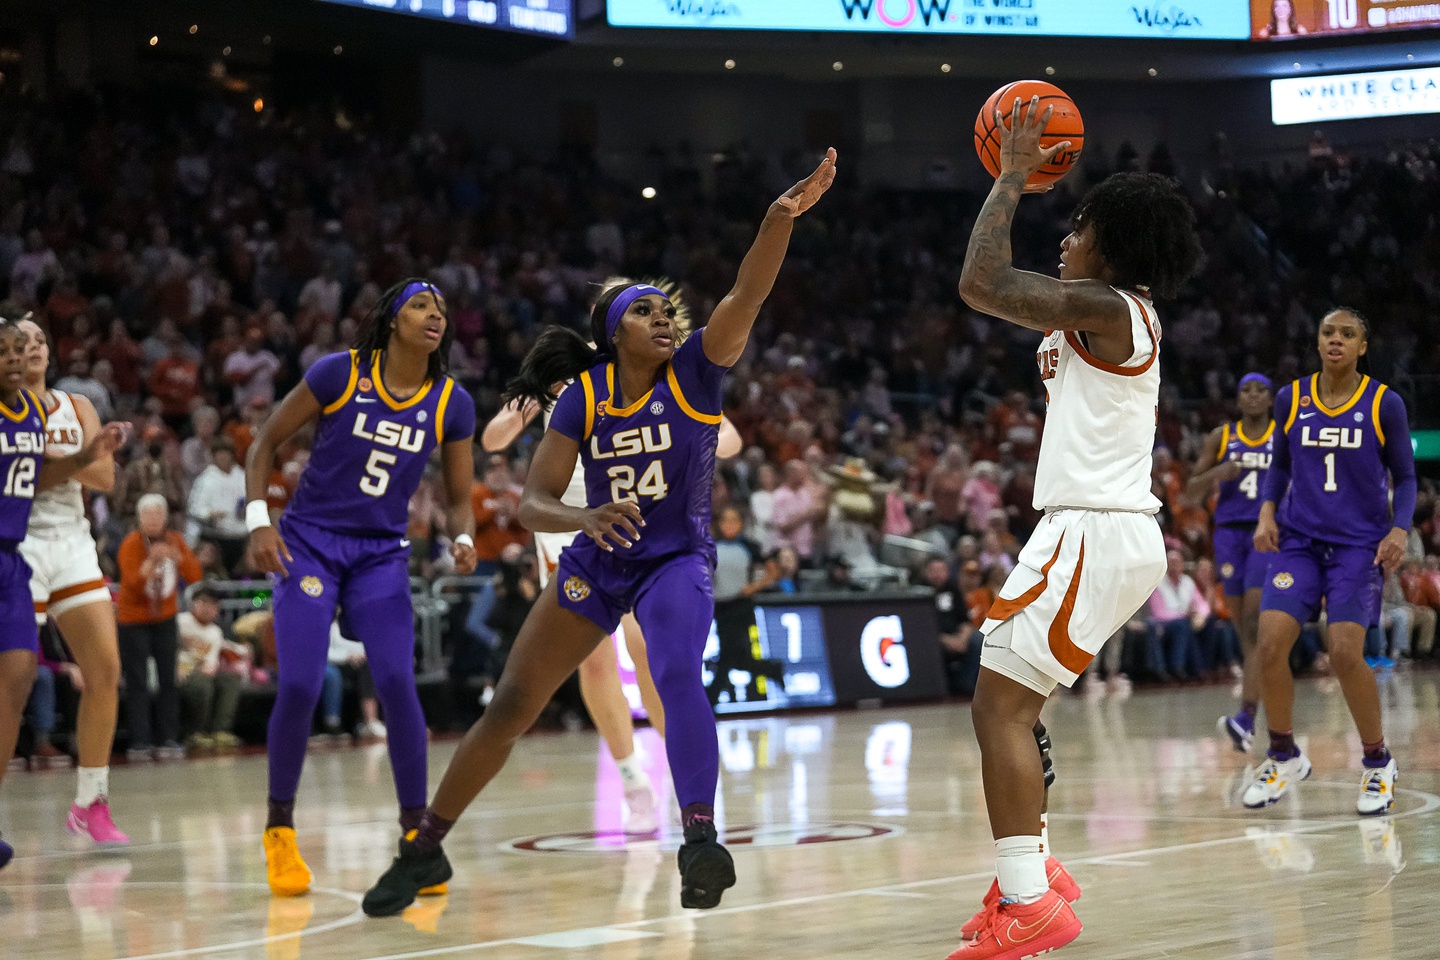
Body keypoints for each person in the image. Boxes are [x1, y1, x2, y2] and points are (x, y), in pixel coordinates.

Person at [361, 149, 837, 918]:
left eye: (666, 311)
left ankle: (700, 837)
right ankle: (422, 847)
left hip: (674, 558)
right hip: (598, 557)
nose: (663, 319)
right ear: (616, 332)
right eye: (645, 311)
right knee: (512, 702)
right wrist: (584, 517)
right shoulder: (583, 397)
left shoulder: (698, 370)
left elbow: (749, 292)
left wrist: (779, 220)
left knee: (676, 670)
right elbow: (531, 503)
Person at [952, 97, 1202, 960]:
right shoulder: (1100, 309)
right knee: (1013, 706)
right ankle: (1036, 876)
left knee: (1001, 711)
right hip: (1092, 531)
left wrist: (1012, 174)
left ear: (1116, 245)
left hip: (1093, 530)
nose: (1067, 233)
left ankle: (1030, 901)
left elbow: (981, 285)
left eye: (1082, 224)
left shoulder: (1117, 309)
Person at [244, 279, 477, 898]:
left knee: (399, 682)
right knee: (299, 682)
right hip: (312, 542)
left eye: (441, 309)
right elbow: (265, 441)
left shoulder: (452, 402)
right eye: (421, 306)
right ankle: (279, 830)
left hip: (381, 554)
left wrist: (463, 537)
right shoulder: (339, 373)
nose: (435, 316)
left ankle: (416, 840)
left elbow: (458, 499)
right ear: (392, 321)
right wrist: (257, 521)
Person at [477, 362, 746, 830]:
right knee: (594, 660)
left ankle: (692, 780)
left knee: (649, 651)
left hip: (638, 519)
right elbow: (493, 439)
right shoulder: (568, 375)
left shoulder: (665, 374)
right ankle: (632, 783)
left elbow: (731, 440)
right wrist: (532, 398)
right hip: (571, 523)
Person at [1244, 308, 1416, 815]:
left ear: (1364, 345)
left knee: (1344, 653)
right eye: (1327, 333)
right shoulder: (1291, 398)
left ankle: (1378, 761)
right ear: (1317, 342)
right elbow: (1279, 464)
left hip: (1358, 547)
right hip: (1297, 540)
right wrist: (1266, 513)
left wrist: (1399, 529)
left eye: (1347, 334)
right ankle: (1282, 755)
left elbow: (1405, 478)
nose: (1335, 340)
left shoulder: (1385, 403)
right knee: (1270, 643)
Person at [0, 314, 126, 871]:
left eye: (39, 341)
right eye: (18, 344)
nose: (31, 350)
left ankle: (90, 802)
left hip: (72, 542)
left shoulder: (75, 406)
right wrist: (72, 459)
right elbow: (37, 475)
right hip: (18, 542)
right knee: (13, 683)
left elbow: (105, 479)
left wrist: (62, 460)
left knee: (105, 672)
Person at [1189, 374, 1274, 749]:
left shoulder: (1282, 434)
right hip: (1228, 535)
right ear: (1238, 398)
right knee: (1245, 634)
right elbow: (1189, 494)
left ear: (1270, 399)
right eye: (1246, 390)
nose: (1253, 396)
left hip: (1265, 533)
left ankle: (1246, 716)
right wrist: (1216, 474)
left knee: (1255, 626)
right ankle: (1258, 710)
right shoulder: (1220, 437)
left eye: (1260, 390)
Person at [117, 493, 203, 762]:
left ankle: (168, 737)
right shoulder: (131, 544)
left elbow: (195, 576)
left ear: (165, 518)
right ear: (139, 519)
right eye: (147, 515)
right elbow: (131, 583)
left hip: (165, 618)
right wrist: (152, 561)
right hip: (133, 621)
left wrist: (177, 557)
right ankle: (140, 740)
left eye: (158, 514)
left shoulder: (175, 540)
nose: (153, 520)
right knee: (138, 682)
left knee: (169, 679)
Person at [177, 584, 248, 750]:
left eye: (213, 604)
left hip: (201, 671)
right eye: (204, 602)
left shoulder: (215, 631)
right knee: (201, 684)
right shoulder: (180, 622)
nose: (208, 608)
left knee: (230, 679)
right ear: (194, 603)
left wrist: (209, 667)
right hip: (180, 671)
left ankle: (220, 731)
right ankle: (195, 733)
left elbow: (211, 661)